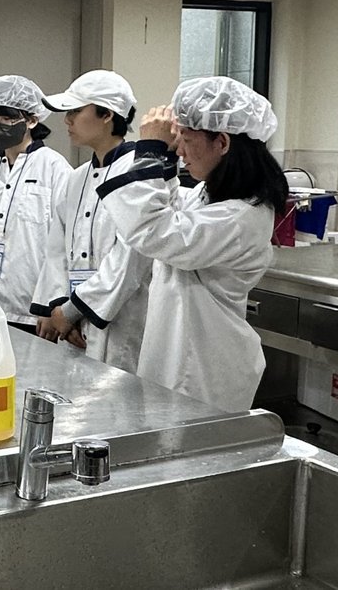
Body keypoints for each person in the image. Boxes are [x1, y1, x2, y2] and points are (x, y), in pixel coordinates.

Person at [96, 76, 289, 412]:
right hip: (178, 355)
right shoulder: (210, 195)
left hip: (204, 370)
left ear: (222, 142)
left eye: (186, 140)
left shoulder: (241, 217)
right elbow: (169, 212)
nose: (180, 151)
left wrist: (151, 152)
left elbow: (153, 231)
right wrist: (164, 165)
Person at [29, 70, 160, 374]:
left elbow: (128, 262)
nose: (67, 120)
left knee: (119, 395)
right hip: (71, 325)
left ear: (107, 115)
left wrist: (72, 311)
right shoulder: (76, 179)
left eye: (75, 111)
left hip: (120, 321)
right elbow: (56, 251)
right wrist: (58, 307)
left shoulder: (139, 175)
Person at [0, 75, 72, 334]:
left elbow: (64, 244)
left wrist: (52, 305)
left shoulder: (55, 169)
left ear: (31, 120)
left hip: (33, 308)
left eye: (7, 119)